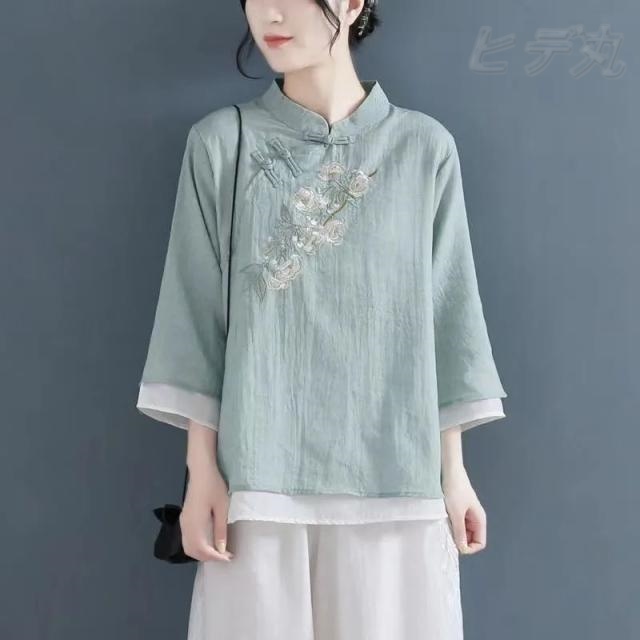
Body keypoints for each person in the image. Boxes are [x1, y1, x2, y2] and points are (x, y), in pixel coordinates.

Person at [136, 1, 508, 638]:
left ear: (353, 2)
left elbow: (449, 319)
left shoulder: (424, 149)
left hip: (398, 485)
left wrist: (454, 473)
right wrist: (202, 473)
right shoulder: (222, 144)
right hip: (258, 485)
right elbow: (193, 315)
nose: (270, 14)